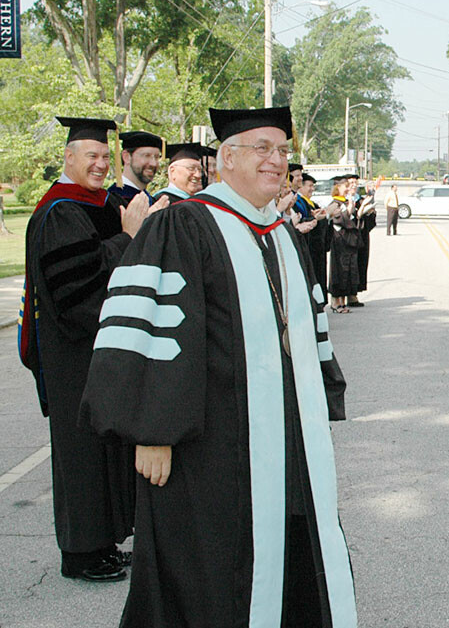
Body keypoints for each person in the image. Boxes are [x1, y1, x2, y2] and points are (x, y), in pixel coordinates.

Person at [80, 106, 357, 627]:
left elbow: (306, 327)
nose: (276, 161)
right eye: (262, 149)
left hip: (285, 439)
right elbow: (149, 326)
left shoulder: (282, 233)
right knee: (210, 571)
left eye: (282, 151)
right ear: (226, 158)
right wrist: (151, 430)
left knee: (295, 543)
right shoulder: (182, 226)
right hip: (208, 450)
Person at [20, 117, 158, 582]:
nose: (100, 164)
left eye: (104, 156)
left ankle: (102, 543)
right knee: (80, 455)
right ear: (69, 158)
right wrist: (127, 238)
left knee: (102, 448)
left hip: (93, 350)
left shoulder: (92, 204)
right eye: (90, 156)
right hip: (72, 352)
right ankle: (79, 554)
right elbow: (74, 290)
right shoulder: (60, 210)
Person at [292, 173, 333, 297]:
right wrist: (314, 217)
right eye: (310, 186)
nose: (312, 189)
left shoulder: (309, 202)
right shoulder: (297, 202)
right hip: (308, 246)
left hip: (316, 247)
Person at [328, 175, 360, 313]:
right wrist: (348, 212)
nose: (347, 189)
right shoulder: (334, 204)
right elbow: (337, 220)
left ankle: (343, 301)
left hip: (347, 242)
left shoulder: (345, 202)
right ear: (337, 187)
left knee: (347, 271)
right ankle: (337, 303)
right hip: (339, 242)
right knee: (339, 271)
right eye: (345, 186)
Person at [109, 130, 162, 204]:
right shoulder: (111, 200)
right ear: (126, 157)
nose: (153, 163)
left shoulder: (153, 201)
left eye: (156, 157)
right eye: (146, 155)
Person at [350, 176, 376, 307]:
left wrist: (370, 212)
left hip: (361, 237)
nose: (354, 185)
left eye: (355, 183)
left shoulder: (360, 200)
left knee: (360, 264)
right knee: (349, 266)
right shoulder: (344, 202)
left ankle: (354, 294)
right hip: (349, 239)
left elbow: (369, 223)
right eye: (351, 183)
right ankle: (348, 295)